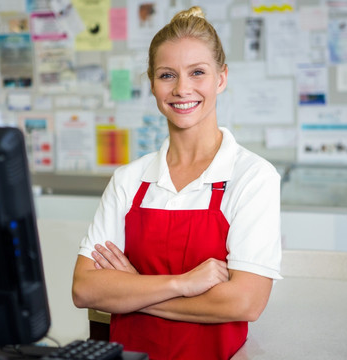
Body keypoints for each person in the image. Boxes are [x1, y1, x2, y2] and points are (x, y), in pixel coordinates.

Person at [72, 6, 282, 360]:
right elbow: (85, 289)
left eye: (197, 72)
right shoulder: (129, 180)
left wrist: (134, 289)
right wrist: (182, 284)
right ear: (152, 83)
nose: (182, 89)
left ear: (221, 78)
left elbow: (244, 302)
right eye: (167, 75)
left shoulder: (253, 177)